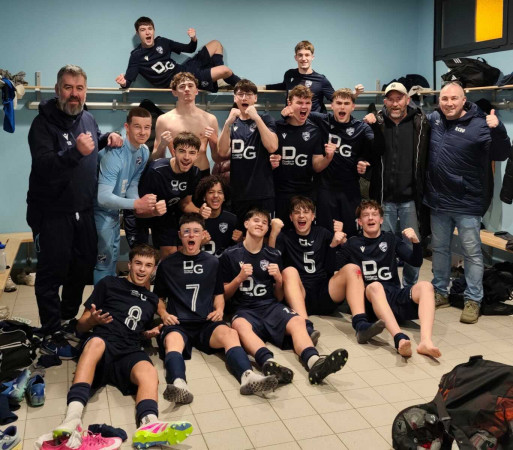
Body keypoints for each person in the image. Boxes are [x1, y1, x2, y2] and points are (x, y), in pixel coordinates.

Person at [52, 244, 193, 448]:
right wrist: (92, 320)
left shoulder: (151, 299)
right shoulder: (108, 284)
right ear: (129, 265)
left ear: (154, 269)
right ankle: (72, 419)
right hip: (104, 342)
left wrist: (147, 334)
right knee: (95, 343)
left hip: (130, 349)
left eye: (148, 265)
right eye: (138, 263)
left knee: (149, 372)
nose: (142, 269)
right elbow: (81, 326)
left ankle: (149, 424)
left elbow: (140, 327)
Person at [26, 64, 123, 352]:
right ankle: (51, 331)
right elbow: (44, 166)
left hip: (83, 210)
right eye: (68, 87)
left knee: (81, 269)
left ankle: (67, 319)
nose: (74, 94)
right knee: (51, 274)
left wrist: (107, 139)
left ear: (85, 91)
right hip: (51, 212)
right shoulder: (42, 124)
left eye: (79, 88)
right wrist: (74, 152)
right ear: (57, 90)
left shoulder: (87, 118)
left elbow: (91, 143)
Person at [154, 213, 278, 404]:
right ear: (180, 235)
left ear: (203, 234)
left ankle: (248, 376)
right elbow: (158, 297)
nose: (191, 236)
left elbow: (218, 294)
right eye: (186, 232)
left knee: (230, 334)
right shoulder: (168, 264)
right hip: (179, 322)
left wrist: (219, 309)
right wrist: (163, 314)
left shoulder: (212, 262)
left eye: (196, 231)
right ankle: (179, 384)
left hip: (206, 322)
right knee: (172, 342)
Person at [221, 208, 348, 385]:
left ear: (268, 229)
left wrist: (279, 280)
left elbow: (279, 296)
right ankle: (268, 363)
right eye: (256, 220)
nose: (260, 224)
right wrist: (239, 279)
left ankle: (315, 363)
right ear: (246, 224)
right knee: (239, 326)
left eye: (264, 223)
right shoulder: (230, 254)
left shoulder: (273, 254)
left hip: (270, 306)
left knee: (298, 321)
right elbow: (224, 294)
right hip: (245, 309)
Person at [424, 81, 511, 324]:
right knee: (440, 249)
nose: (449, 103)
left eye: (454, 98)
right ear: (439, 101)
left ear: (464, 100)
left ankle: (473, 299)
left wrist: (499, 129)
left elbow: (502, 153)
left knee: (472, 253)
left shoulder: (480, 124)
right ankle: (440, 291)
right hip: (438, 200)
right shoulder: (435, 120)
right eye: (444, 99)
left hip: (467, 203)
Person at [269, 196, 386, 344]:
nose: (301, 216)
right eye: (297, 212)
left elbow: (339, 259)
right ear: (291, 217)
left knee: (353, 269)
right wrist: (274, 233)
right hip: (299, 294)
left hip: (324, 292)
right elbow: (271, 261)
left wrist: (341, 240)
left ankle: (361, 324)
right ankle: (305, 327)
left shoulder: (322, 233)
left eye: (306, 212)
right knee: (289, 271)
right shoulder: (286, 236)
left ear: (313, 216)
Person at [337, 200, 441, 358]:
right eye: (365, 215)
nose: (370, 218)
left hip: (393, 296)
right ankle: (399, 337)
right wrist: (335, 244)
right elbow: (334, 266)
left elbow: (415, 261)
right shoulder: (353, 243)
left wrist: (415, 242)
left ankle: (426, 341)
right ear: (359, 222)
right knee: (375, 286)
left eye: (374, 214)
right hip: (371, 302)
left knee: (426, 286)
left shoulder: (391, 239)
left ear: (381, 220)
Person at [363, 82, 431, 288]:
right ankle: (387, 288)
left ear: (407, 100)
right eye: (390, 100)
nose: (395, 104)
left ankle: (409, 290)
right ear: (385, 102)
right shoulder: (376, 123)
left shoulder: (421, 122)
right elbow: (366, 153)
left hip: (411, 199)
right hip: (384, 200)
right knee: (382, 248)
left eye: (399, 99)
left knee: (411, 247)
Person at [94, 107, 166, 284]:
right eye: (137, 126)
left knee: (112, 260)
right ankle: (101, 301)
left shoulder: (143, 151)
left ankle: (110, 300)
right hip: (97, 212)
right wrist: (136, 204)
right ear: (127, 127)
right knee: (104, 263)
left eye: (147, 127)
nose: (143, 132)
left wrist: (141, 203)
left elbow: (132, 183)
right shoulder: (115, 153)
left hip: (114, 212)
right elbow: (102, 197)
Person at [310, 88, 374, 238]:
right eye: (338, 103)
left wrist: (364, 162)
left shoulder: (361, 127)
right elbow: (301, 112)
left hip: (350, 189)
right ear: (332, 105)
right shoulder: (322, 120)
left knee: (350, 232)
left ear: (353, 107)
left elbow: (376, 147)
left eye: (346, 103)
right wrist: (286, 112)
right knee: (325, 232)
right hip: (325, 188)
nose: (342, 107)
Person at [116, 16, 240, 92]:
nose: (147, 32)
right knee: (225, 70)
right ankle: (244, 87)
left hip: (186, 68)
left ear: (154, 30)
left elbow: (190, 49)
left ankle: (220, 80)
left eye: (150, 29)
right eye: (143, 30)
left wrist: (193, 39)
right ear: (138, 33)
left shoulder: (162, 41)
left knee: (216, 44)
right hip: (182, 80)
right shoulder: (136, 56)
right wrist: (123, 83)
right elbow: (128, 82)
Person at [138, 132, 208, 258]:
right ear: (174, 151)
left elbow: (185, 203)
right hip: (146, 215)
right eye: (182, 151)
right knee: (159, 253)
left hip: (170, 214)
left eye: (192, 153)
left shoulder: (195, 172)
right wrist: (154, 211)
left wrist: (200, 212)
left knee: (181, 250)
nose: (186, 157)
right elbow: (137, 210)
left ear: (197, 155)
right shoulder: (156, 170)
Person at [218, 79, 278, 226]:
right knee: (239, 234)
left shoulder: (266, 119)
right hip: (238, 193)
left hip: (262, 192)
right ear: (235, 98)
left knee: (263, 232)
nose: (244, 98)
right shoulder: (232, 122)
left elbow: (272, 147)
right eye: (240, 94)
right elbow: (222, 152)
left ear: (255, 98)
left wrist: (256, 118)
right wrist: (227, 123)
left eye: (249, 94)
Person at [152, 72, 219, 177]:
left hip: (201, 174)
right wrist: (162, 145)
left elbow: (217, 158)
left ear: (196, 90)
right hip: (176, 175)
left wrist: (215, 141)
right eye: (182, 86)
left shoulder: (210, 119)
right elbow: (156, 158)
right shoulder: (164, 120)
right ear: (174, 92)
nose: (187, 89)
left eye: (190, 86)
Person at [272, 85, 323, 225]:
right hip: (281, 193)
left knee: (304, 231)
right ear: (289, 103)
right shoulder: (276, 127)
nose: (304, 106)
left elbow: (317, 165)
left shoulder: (315, 130)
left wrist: (329, 157)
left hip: (306, 193)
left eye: (307, 103)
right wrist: (270, 162)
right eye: (299, 102)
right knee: (281, 231)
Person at [265, 41, 334, 113]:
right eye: (300, 55)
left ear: (312, 57)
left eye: (307, 55)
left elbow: (335, 100)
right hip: (291, 118)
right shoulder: (289, 74)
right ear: (296, 57)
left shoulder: (321, 80)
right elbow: (285, 85)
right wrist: (264, 87)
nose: (303, 58)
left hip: (312, 119)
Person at [195, 175, 242, 257]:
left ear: (224, 197)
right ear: (204, 197)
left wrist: (240, 241)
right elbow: (182, 252)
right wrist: (198, 244)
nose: (216, 196)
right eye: (211, 192)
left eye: (220, 192)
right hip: (201, 264)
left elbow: (237, 252)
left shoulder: (232, 219)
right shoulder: (194, 220)